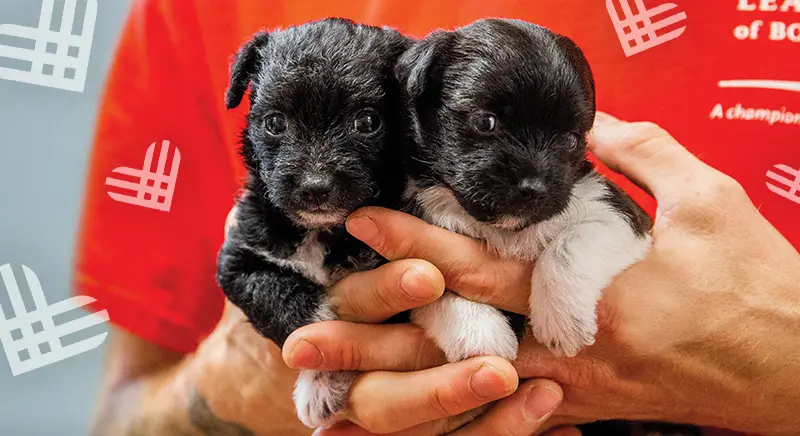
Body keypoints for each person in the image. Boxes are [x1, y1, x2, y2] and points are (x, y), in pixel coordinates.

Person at [75, 1, 800, 435]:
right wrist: (258, 376)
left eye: (364, 122)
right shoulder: (193, 16)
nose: (320, 170)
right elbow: (123, 412)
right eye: (479, 123)